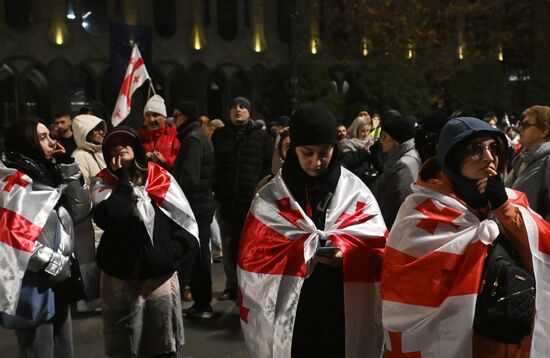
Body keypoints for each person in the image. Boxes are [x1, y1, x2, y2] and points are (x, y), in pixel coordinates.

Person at [381, 117, 550, 357]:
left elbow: (542, 251)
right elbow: (407, 288)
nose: (489, 157)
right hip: (445, 339)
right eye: (475, 149)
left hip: (501, 342)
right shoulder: (421, 210)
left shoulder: (510, 201)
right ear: (452, 157)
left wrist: (503, 209)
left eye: (493, 147)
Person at [238, 103, 387, 357]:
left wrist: (346, 250)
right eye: (307, 152)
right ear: (291, 149)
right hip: (294, 313)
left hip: (341, 308)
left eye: (324, 152)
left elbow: (377, 246)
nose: (316, 162)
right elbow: (253, 259)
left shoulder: (355, 193)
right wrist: (299, 252)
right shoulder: (270, 198)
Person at [91, 126, 199, 358]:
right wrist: (123, 183)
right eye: (113, 144)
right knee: (124, 346)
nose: (119, 145)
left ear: (137, 147)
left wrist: (169, 255)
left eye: (125, 141)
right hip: (120, 280)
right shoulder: (103, 184)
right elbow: (112, 216)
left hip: (158, 279)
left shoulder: (159, 178)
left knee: (162, 346)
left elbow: (184, 224)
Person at [1, 118, 91, 358]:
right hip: (33, 281)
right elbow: (13, 239)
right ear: (26, 143)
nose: (53, 142)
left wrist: (66, 165)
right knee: (39, 349)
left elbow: (80, 210)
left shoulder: (49, 173)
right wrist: (53, 264)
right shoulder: (15, 183)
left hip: (58, 278)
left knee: (63, 348)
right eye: (43, 137)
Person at [211, 96, 272, 301]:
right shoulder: (219, 136)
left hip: (251, 201)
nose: (238, 110)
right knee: (228, 245)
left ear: (249, 112)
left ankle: (248, 288)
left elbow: (267, 166)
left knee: (249, 246)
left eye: (242, 107)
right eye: (234, 106)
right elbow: (214, 165)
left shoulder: (261, 137)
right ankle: (232, 286)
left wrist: (260, 190)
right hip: (226, 199)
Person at [172, 101, 217, 319]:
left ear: (187, 117)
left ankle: (202, 304)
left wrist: (174, 190)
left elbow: (189, 177)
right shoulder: (196, 135)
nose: (174, 120)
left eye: (177, 115)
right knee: (200, 254)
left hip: (196, 207)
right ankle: (202, 302)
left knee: (197, 256)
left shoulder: (192, 140)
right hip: (201, 205)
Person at [71, 114, 107, 312]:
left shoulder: (101, 152)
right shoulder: (79, 156)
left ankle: (100, 295)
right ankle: (90, 298)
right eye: (95, 129)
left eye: (101, 128)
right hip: (90, 218)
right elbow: (81, 189)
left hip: (103, 215)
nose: (100, 132)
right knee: (89, 259)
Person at [373, 112, 421, 228]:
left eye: (384, 136)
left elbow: (398, 204)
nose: (380, 140)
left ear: (395, 141)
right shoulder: (406, 156)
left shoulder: (403, 164)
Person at [505, 105, 550, 221]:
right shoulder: (523, 157)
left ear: (544, 130)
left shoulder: (547, 158)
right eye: (520, 124)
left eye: (525, 125)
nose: (519, 129)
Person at [137, 95, 180, 170]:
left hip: (168, 178)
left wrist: (165, 161)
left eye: (155, 115)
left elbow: (182, 157)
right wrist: (143, 157)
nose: (151, 119)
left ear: (164, 117)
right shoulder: (139, 134)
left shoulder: (174, 133)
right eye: (148, 115)